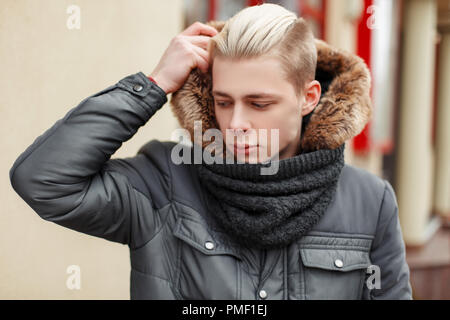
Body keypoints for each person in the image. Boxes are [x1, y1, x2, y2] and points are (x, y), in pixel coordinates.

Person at [9, 3, 412, 299]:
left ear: (308, 98)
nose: (235, 124)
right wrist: (152, 85)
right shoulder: (163, 181)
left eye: (258, 103)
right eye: (223, 101)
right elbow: (43, 180)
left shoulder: (370, 203)